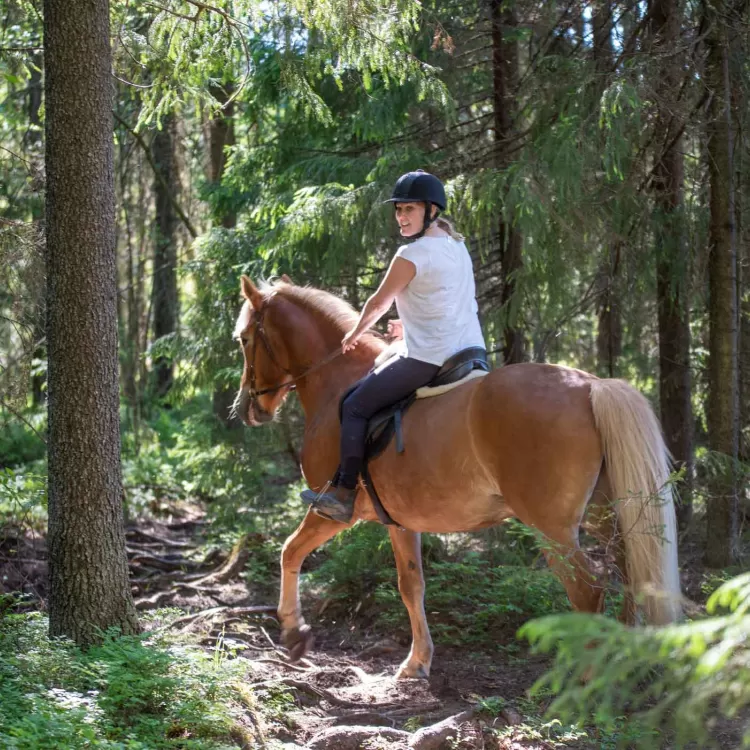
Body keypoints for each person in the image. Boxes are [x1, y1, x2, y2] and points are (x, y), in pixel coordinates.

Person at [301, 170, 486, 522]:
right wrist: (410, 323)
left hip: (430, 357)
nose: (401, 217)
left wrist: (355, 333)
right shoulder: (455, 244)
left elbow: (377, 304)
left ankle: (342, 494)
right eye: (398, 209)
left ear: (431, 210)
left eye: (410, 209)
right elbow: (450, 298)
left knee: (354, 405)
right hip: (471, 350)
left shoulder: (411, 254)